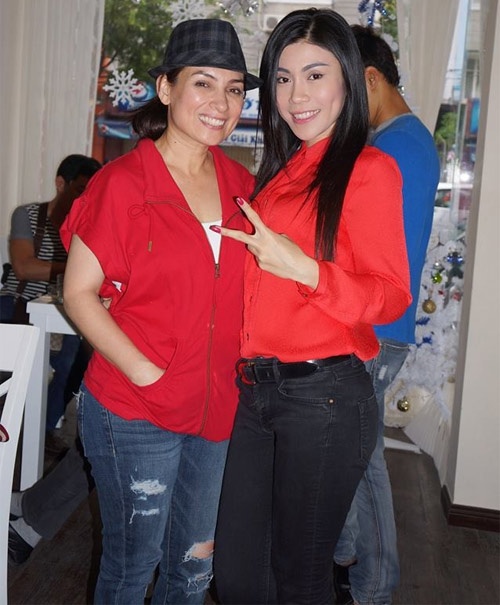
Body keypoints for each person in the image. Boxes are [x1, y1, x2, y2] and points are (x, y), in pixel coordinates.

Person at [212, 9, 412, 604]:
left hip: (322, 396)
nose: (296, 95)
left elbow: (390, 294)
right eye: (283, 78)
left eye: (315, 75)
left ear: (349, 80)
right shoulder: (281, 171)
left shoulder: (368, 169)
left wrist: (306, 270)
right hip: (258, 392)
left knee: (299, 580)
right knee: (239, 575)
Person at [59, 18, 261, 605]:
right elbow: (79, 293)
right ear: (167, 88)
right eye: (203, 83)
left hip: (216, 410)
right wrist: (147, 373)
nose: (221, 102)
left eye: (233, 89)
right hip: (135, 408)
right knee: (132, 568)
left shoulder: (243, 187)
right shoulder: (123, 183)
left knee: (193, 569)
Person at [332, 25, 441, 605]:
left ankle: (373, 586)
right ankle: (347, 555)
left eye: (345, 85)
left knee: (361, 457)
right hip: (385, 324)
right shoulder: (411, 140)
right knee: (355, 452)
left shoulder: (390, 149)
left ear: (370, 78)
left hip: (374, 327)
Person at [0, 154, 102, 451]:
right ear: (61, 184)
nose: (85, 197)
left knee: (82, 360)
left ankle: (41, 432)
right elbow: (23, 268)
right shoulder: (28, 215)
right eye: (80, 189)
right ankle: (13, 424)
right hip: (17, 301)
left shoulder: (89, 222)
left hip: (62, 310)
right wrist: (76, 269)